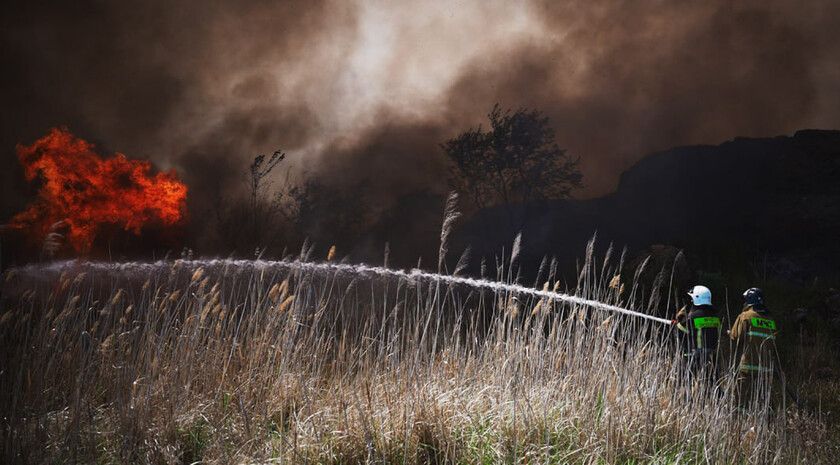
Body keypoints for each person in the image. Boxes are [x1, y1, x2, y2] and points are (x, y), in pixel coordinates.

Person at [729, 287, 780, 408]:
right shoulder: (770, 320)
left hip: (748, 367)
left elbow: (735, 337)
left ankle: (741, 421)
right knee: (763, 401)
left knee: (740, 401)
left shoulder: (746, 316)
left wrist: (729, 333)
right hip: (766, 368)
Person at [673, 285, 722, 382]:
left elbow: (678, 332)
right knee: (712, 386)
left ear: (696, 299)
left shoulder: (694, 317)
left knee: (683, 385)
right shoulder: (715, 317)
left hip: (694, 358)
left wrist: (678, 320)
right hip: (712, 358)